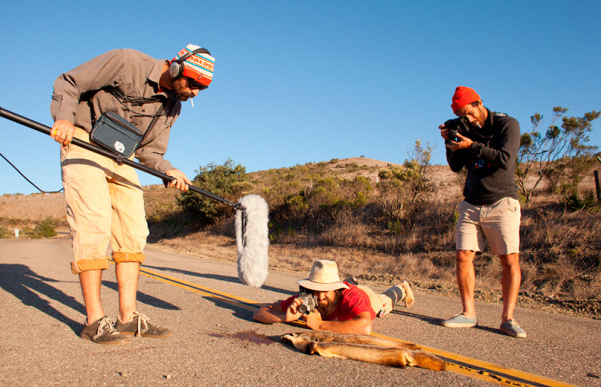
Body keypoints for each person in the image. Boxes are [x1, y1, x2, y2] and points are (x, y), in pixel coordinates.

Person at [49, 45, 215, 344]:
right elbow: (69, 81)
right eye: (193, 83)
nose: (195, 93)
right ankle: (94, 321)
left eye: (203, 87)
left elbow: (149, 151)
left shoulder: (172, 106)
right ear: (175, 68)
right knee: (94, 226)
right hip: (85, 141)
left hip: (121, 157)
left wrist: (169, 170)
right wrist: (63, 118)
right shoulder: (127, 62)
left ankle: (127, 318)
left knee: (134, 231)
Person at [438, 86, 526, 338]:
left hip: (502, 202)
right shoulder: (466, 130)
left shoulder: (507, 124)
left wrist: (472, 145)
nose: (469, 120)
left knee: (509, 259)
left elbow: (506, 159)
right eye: (463, 117)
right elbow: (456, 167)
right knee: (463, 256)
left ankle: (508, 318)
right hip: (471, 203)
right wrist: (450, 142)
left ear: (479, 104)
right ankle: (468, 314)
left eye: (470, 114)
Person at [253, 260, 414, 335]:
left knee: (387, 300)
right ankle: (349, 280)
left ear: (336, 290)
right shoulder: (309, 298)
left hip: (369, 299)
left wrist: (320, 325)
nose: (320, 296)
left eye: (326, 290)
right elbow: (260, 312)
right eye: (316, 290)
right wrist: (284, 317)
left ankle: (402, 287)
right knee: (345, 285)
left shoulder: (352, 297)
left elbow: (365, 327)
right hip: (343, 286)